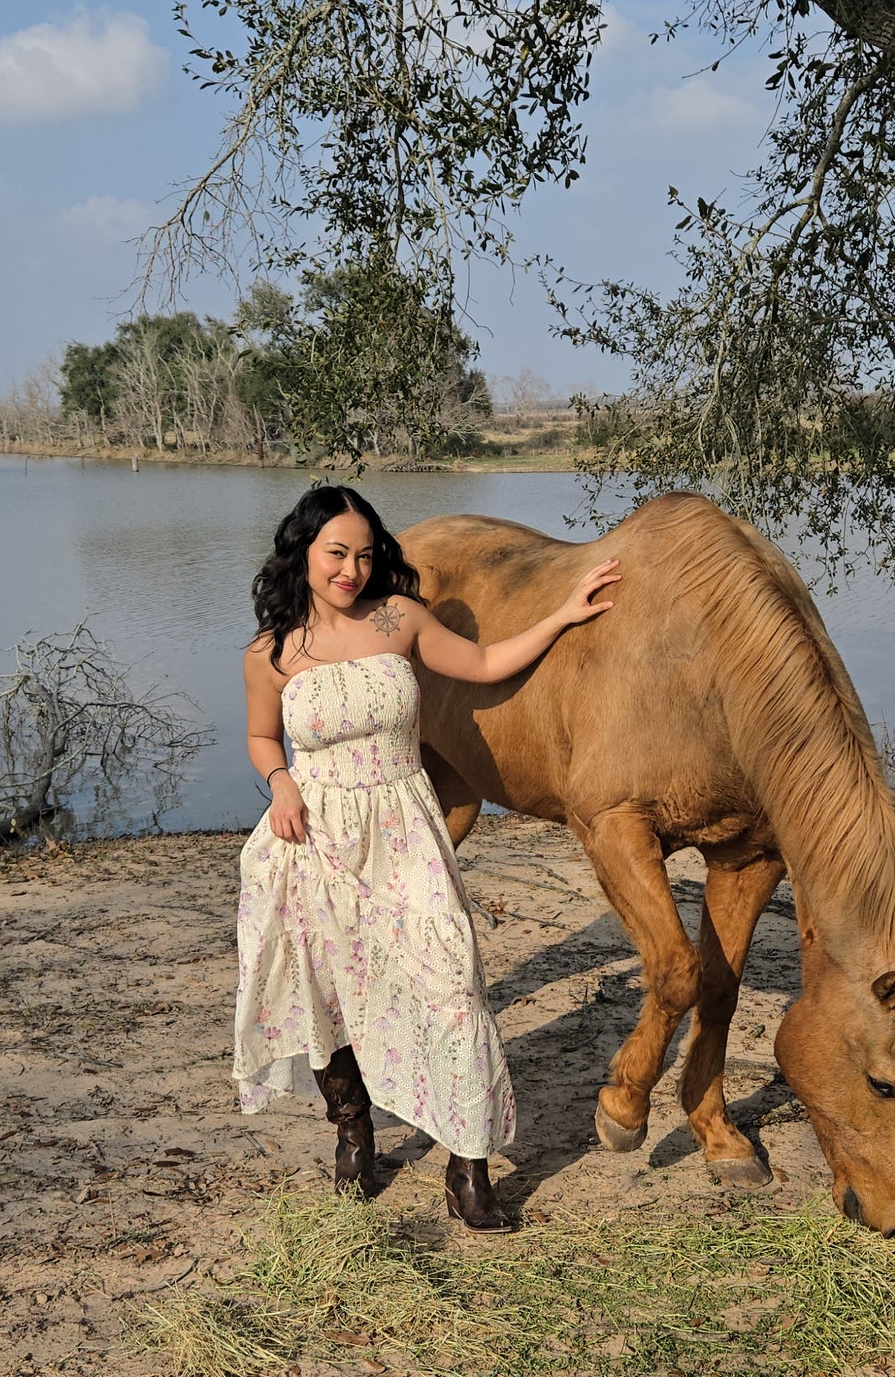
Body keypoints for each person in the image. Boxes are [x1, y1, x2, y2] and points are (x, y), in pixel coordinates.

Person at [234, 484, 620, 1230]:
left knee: (452, 982)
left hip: (404, 828)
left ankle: (468, 1165)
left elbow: (481, 662)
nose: (350, 569)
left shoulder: (399, 618)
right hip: (315, 836)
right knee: (329, 992)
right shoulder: (270, 650)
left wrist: (562, 613)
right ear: (303, 553)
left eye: (364, 554)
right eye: (336, 553)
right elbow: (260, 738)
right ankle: (354, 1132)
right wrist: (279, 782)